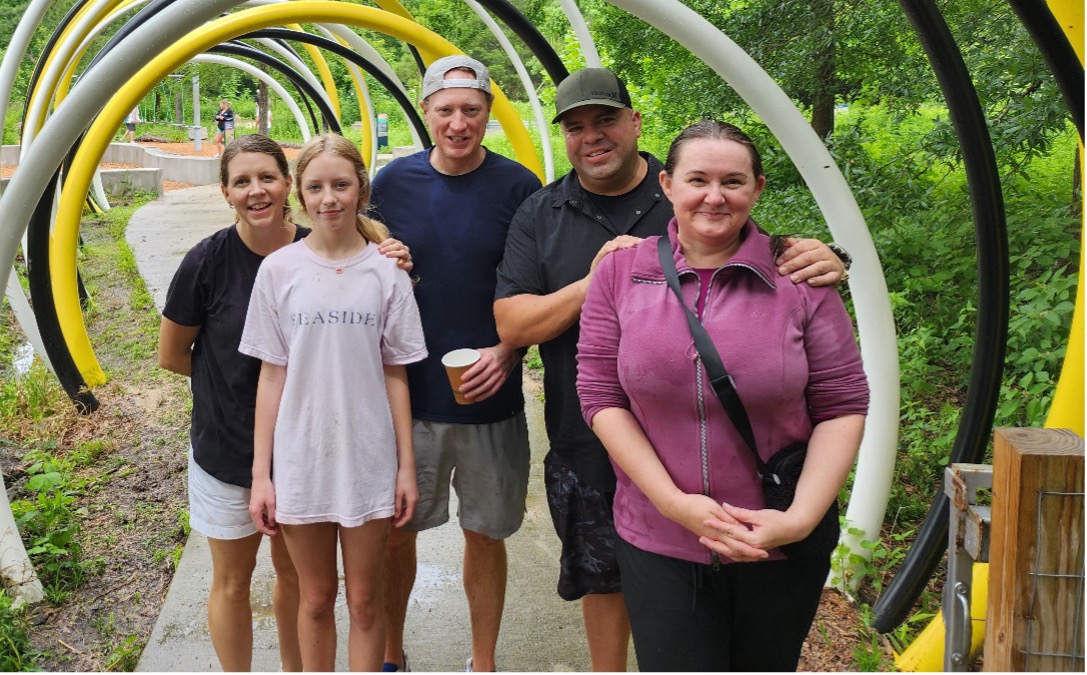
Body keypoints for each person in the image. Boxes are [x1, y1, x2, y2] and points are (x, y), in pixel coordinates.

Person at [493, 68, 850, 671]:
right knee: (602, 580)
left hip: (747, 480)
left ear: (634, 123)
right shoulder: (543, 211)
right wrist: (596, 279)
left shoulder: (692, 187)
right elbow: (516, 326)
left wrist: (829, 255)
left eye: (605, 119)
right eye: (576, 126)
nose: (592, 136)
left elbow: (765, 253)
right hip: (593, 440)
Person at [576, 119, 869, 671]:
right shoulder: (620, 272)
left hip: (774, 537)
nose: (714, 196)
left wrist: (801, 518)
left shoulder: (799, 277)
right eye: (697, 179)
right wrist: (671, 503)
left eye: (733, 181)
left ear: (757, 189)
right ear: (667, 185)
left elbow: (843, 402)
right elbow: (599, 393)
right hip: (658, 536)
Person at [159, 134, 412, 671]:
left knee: (322, 588)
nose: (256, 190)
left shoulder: (369, 263)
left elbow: (390, 365)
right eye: (241, 181)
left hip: (338, 452)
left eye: (267, 177)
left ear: (285, 186)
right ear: (225, 191)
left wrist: (404, 465)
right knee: (241, 581)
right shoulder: (221, 264)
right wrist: (248, 434)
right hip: (241, 446)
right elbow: (179, 355)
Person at [368, 55, 541, 673]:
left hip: (490, 394)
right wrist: (378, 259)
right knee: (395, 532)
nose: (458, 122)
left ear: (489, 114)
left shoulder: (520, 187)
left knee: (486, 534)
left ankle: (483, 661)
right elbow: (345, 252)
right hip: (406, 395)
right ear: (427, 112)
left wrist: (511, 349)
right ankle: (391, 655)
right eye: (446, 110)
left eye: (471, 110)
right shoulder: (390, 184)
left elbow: (537, 286)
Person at [243, 133, 426, 672]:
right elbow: (271, 377)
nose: (330, 199)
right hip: (301, 460)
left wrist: (406, 468)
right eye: (316, 187)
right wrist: (262, 475)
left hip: (368, 460)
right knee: (316, 598)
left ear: (361, 191)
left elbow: (396, 374)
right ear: (299, 195)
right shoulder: (278, 271)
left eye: (341, 185)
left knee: (366, 603)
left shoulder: (388, 274)